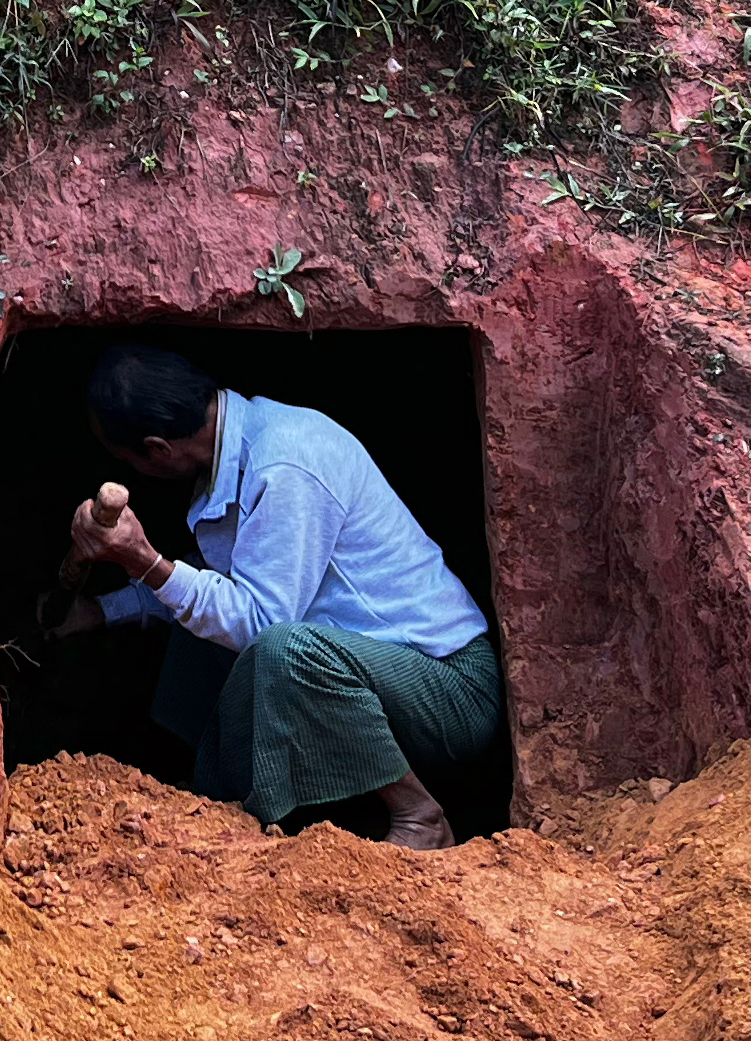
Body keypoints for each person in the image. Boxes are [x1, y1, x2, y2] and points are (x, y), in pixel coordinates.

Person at [55, 344, 501, 849]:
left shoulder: (285, 463)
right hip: (372, 676)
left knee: (280, 649)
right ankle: (204, 797)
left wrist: (144, 561)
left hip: (449, 688)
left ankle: (420, 816)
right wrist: (103, 611)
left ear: (158, 449)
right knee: (197, 618)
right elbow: (216, 585)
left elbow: (260, 622)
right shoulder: (235, 450)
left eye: (129, 459)